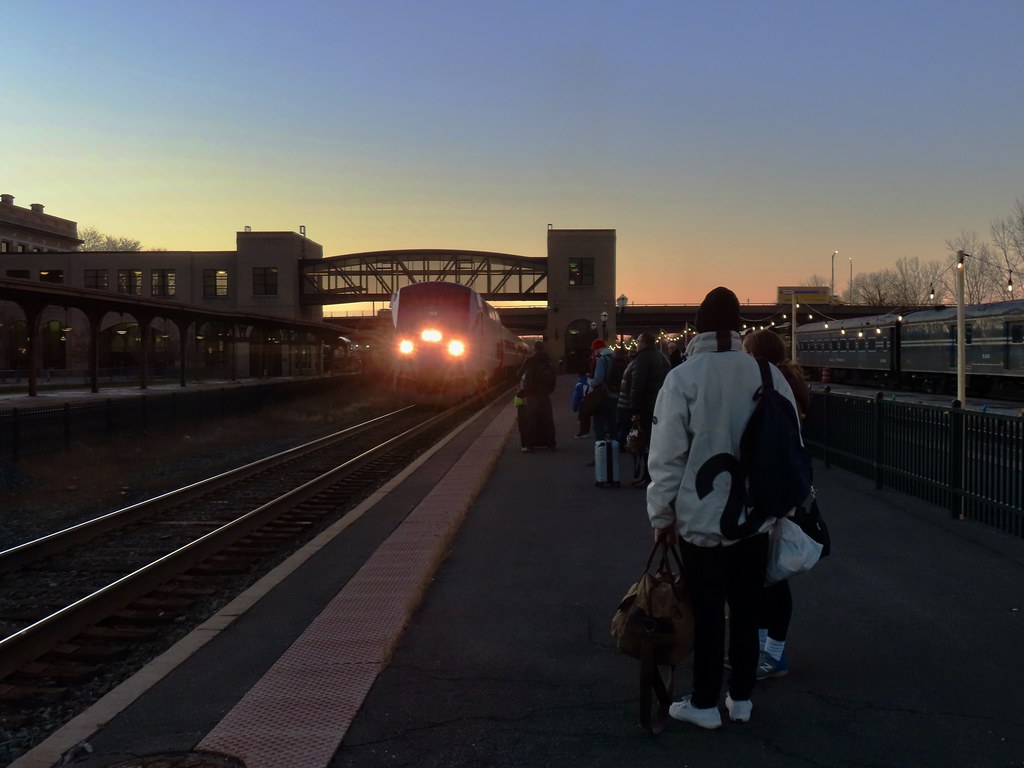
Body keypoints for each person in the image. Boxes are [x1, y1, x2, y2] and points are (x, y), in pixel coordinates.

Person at [646, 287, 801, 729]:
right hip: (755, 519)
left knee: (709, 611)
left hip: (700, 520)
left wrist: (662, 517)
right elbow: (791, 447)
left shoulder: (682, 379)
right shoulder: (768, 374)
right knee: (748, 607)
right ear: (737, 329)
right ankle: (742, 698)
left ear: (697, 327)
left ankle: (703, 702)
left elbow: (666, 458)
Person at [741, 328, 812, 679]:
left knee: (767, 576)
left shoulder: (769, 385)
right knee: (771, 573)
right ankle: (765, 649)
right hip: (788, 485)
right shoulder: (788, 382)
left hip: (773, 487)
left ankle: (771, 653)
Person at [627, 332, 670, 488]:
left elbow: (637, 385)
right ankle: (655, 476)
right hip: (661, 406)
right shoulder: (662, 357)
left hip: (646, 407)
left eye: (638, 341)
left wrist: (634, 409)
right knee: (657, 444)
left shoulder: (642, 358)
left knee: (645, 444)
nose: (636, 344)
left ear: (644, 342)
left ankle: (647, 477)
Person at [516, 341, 557, 452]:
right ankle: (551, 444)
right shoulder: (548, 360)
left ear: (534, 349)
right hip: (545, 394)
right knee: (548, 420)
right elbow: (554, 375)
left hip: (532, 395)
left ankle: (530, 446)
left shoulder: (530, 360)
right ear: (543, 349)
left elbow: (519, 374)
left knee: (531, 420)